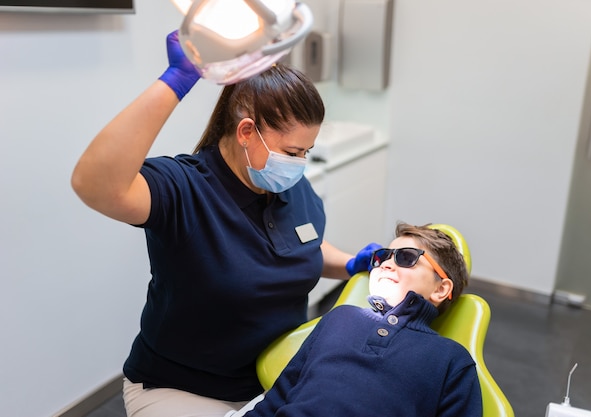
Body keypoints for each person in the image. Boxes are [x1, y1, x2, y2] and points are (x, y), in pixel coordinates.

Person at [71, 30, 380, 417]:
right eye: (292, 151)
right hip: (183, 388)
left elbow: (302, 246)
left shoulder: (289, 185)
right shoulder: (183, 188)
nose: (300, 163)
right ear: (247, 132)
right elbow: (95, 185)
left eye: (307, 152)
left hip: (276, 377)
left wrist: (351, 264)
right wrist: (176, 81)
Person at [229, 222, 483, 417]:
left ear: (441, 289)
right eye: (382, 257)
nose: (386, 264)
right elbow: (277, 398)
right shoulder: (339, 318)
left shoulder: (451, 359)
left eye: (406, 257)